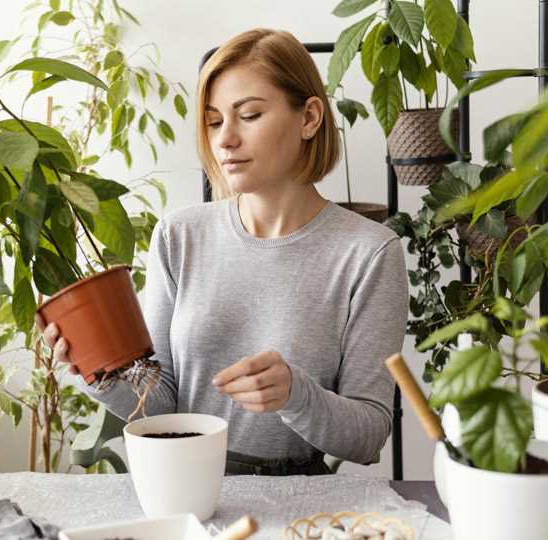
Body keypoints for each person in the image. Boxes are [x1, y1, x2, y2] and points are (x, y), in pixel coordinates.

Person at [37, 28, 408, 476]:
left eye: (248, 115)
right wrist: (96, 369)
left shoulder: (368, 253)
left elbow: (368, 435)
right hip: (182, 481)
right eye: (213, 122)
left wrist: (295, 394)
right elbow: (161, 404)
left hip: (299, 500)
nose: (225, 139)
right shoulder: (179, 235)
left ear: (309, 117)